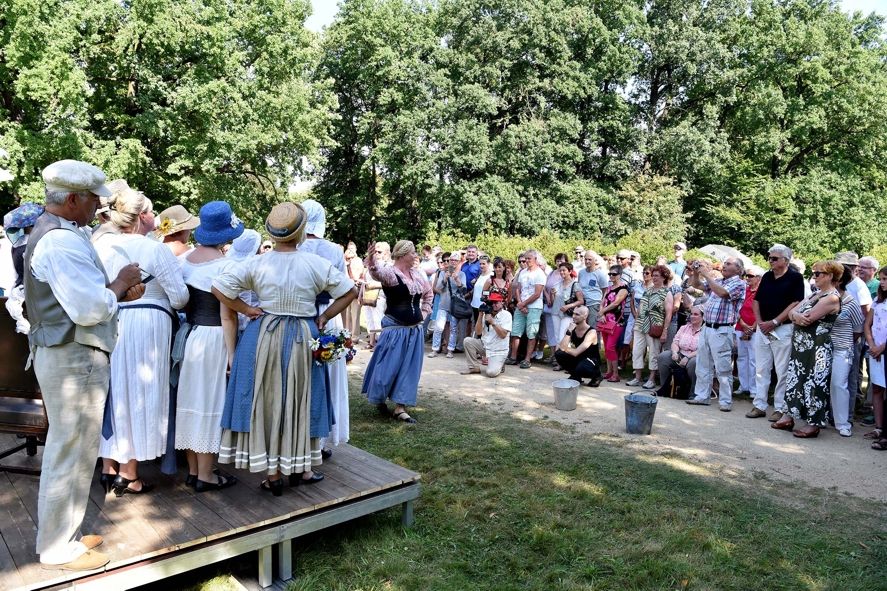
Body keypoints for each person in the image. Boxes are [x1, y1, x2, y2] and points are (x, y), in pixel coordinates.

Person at [25, 160, 144, 570]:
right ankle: (58, 547)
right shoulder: (60, 240)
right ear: (73, 198)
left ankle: (65, 536)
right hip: (73, 357)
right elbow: (90, 307)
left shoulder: (54, 233)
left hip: (65, 353)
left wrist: (117, 294)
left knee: (73, 450)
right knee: (70, 451)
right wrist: (122, 282)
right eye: (94, 198)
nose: (99, 205)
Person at [214, 202, 356, 495]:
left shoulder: (258, 262)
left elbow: (219, 287)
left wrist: (248, 309)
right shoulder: (313, 263)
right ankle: (301, 468)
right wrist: (325, 316)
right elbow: (350, 291)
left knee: (267, 400)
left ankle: (273, 474)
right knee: (300, 398)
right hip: (303, 335)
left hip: (264, 334)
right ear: (301, 232)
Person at [92, 183, 189, 495]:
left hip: (112, 320)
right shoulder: (156, 250)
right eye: (149, 211)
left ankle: (108, 466)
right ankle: (129, 473)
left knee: (115, 391)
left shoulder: (100, 248)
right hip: (149, 324)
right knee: (139, 393)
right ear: (140, 216)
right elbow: (179, 297)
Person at [175, 201, 243, 492]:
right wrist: (232, 355)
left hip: (190, 335)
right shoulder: (226, 266)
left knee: (191, 400)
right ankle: (206, 474)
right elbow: (227, 315)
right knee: (210, 402)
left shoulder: (185, 260)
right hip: (214, 337)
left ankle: (193, 470)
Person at [298, 200, 350, 453]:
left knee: (301, 373)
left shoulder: (292, 247)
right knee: (328, 374)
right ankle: (322, 439)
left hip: (301, 312)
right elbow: (345, 288)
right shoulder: (333, 250)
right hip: (329, 313)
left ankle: (302, 435)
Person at [362, 240, 433, 424]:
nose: (415, 255)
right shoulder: (391, 273)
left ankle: (401, 407)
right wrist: (370, 258)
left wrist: (424, 313)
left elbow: (428, 294)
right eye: (412, 252)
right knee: (386, 368)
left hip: (414, 330)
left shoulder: (418, 274)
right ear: (402, 254)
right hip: (394, 330)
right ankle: (379, 397)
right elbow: (376, 272)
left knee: (410, 370)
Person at [771, 261, 842, 437]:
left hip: (817, 348)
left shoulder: (832, 297)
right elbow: (792, 313)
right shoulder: (815, 295)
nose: (814, 276)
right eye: (814, 273)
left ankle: (813, 423)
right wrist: (795, 315)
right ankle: (788, 416)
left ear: (830, 276)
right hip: (801, 347)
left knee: (814, 383)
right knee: (795, 380)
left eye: (818, 273)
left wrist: (796, 315)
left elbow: (807, 318)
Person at [750, 244, 805, 421]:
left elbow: (796, 303)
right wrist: (760, 323)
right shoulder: (766, 276)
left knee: (782, 370)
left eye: (774, 258)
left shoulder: (795, 278)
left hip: (783, 328)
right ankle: (759, 404)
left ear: (785, 260)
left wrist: (774, 322)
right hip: (763, 328)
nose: (770, 261)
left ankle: (780, 407)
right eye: (770, 257)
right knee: (761, 368)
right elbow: (756, 300)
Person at [685, 257, 746, 411]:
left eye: (729, 264)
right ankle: (702, 396)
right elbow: (696, 285)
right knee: (702, 364)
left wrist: (707, 274)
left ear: (739, 269)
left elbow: (723, 293)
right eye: (724, 263)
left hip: (722, 329)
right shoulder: (720, 280)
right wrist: (696, 272)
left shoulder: (739, 283)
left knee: (723, 367)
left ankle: (725, 401)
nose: (724, 265)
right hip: (708, 327)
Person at [829, 265, 865, 437]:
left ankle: (843, 422)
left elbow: (859, 328)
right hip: (823, 348)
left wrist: (846, 341)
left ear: (839, 280)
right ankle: (822, 417)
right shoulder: (823, 297)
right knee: (823, 383)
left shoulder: (850, 301)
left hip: (842, 349)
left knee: (839, 384)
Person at [628, 265, 673, 389]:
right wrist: (635, 324)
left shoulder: (666, 293)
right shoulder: (648, 290)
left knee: (653, 352)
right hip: (640, 324)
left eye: (657, 276)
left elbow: (668, 314)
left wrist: (665, 331)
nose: (654, 278)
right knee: (637, 351)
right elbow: (641, 308)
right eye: (653, 275)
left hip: (654, 326)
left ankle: (652, 379)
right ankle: (637, 378)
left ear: (664, 277)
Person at [505, 249, 546, 369]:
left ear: (535, 259)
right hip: (521, 305)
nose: (527, 261)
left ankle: (527, 359)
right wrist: (519, 302)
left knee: (531, 333)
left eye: (529, 259)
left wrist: (524, 304)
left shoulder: (540, 274)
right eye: (525, 259)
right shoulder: (523, 272)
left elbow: (537, 293)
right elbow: (518, 288)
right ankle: (513, 356)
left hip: (534, 307)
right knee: (516, 331)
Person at [461, 291, 512, 377]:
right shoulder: (486, 314)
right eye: (492, 302)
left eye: (496, 302)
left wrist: (493, 322)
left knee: (491, 373)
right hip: (485, 346)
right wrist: (480, 315)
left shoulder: (506, 315)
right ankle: (474, 367)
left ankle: (500, 363)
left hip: (498, 350)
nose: (494, 305)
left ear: (502, 303)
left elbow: (503, 335)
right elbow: (478, 332)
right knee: (468, 341)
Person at [656, 305, 703, 398]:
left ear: (703, 317)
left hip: (694, 356)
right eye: (691, 314)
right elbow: (675, 342)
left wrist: (688, 357)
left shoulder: (706, 331)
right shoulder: (684, 328)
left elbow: (703, 349)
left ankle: (692, 393)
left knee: (694, 363)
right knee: (663, 356)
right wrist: (674, 353)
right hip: (680, 353)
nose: (692, 316)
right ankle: (666, 388)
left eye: (696, 314)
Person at [864, 267, 887, 446]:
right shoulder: (877, 301)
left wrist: (882, 347)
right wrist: (872, 344)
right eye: (881, 279)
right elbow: (868, 324)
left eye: (885, 279)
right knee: (877, 388)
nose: (882, 282)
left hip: (884, 350)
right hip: (875, 350)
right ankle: (879, 427)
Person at [553, 305, 602, 387]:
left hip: (591, 361)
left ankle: (597, 376)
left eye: (577, 314)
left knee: (581, 368)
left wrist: (565, 348)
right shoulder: (571, 329)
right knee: (559, 354)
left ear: (585, 316)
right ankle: (576, 376)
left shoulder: (591, 332)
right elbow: (561, 348)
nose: (573, 316)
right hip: (580, 358)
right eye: (573, 313)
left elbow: (576, 352)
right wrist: (569, 331)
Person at [429, 251, 465, 358]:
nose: (453, 262)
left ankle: (450, 350)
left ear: (459, 262)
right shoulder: (443, 273)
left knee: (453, 328)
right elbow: (438, 287)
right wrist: (445, 278)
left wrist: (457, 279)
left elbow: (463, 289)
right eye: (451, 260)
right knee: (439, 327)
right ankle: (435, 349)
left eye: (455, 260)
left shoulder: (462, 274)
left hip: (455, 305)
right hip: (443, 303)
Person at [597, 265, 629, 382]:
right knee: (606, 347)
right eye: (610, 274)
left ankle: (616, 374)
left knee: (611, 347)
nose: (611, 276)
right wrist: (602, 314)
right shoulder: (609, 288)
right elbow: (603, 301)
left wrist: (602, 312)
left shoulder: (623, 288)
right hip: (605, 320)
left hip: (616, 321)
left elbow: (616, 303)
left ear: (620, 275)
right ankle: (609, 371)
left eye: (614, 274)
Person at [550, 262, 584, 370]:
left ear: (570, 271)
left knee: (563, 337)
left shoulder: (575, 284)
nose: (562, 272)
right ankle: (560, 361)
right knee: (556, 337)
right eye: (560, 270)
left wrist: (569, 306)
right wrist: (552, 295)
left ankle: (565, 362)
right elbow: (552, 302)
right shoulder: (557, 284)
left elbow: (581, 300)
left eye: (564, 270)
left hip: (567, 314)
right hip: (556, 312)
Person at [737, 266, 762, 404]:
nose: (748, 278)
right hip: (741, 326)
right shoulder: (744, 291)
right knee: (741, 357)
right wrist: (742, 323)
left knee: (753, 359)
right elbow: (737, 308)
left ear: (758, 278)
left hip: (755, 328)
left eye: (751, 276)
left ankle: (754, 388)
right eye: (747, 276)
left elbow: (762, 311)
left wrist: (753, 327)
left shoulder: (761, 292)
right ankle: (743, 385)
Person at [577, 251, 609, 326]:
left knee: (592, 328)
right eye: (586, 259)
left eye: (590, 259)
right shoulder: (581, 272)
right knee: (581, 328)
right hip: (582, 304)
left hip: (594, 305)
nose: (587, 261)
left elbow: (605, 291)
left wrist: (602, 308)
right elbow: (578, 287)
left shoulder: (600, 274)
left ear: (595, 260)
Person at [343, 242, 365, 340]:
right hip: (345, 291)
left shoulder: (359, 261)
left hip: (356, 289)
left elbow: (358, 275)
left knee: (355, 314)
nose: (351, 250)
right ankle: (347, 334)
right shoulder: (343, 261)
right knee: (346, 314)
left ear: (355, 250)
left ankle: (355, 336)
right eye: (349, 248)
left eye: (353, 248)